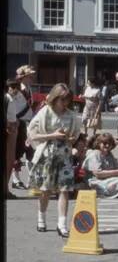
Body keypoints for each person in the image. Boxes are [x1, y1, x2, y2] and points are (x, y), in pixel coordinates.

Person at [26, 84, 82, 237]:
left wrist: (71, 139)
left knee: (65, 189)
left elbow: (76, 135)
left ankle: (62, 224)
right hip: (47, 154)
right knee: (45, 189)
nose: (66, 103)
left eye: (68, 100)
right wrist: (53, 136)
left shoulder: (71, 115)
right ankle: (41, 219)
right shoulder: (45, 112)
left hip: (64, 154)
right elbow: (32, 135)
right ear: (55, 98)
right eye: (63, 100)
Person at [12, 65, 38, 189]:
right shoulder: (17, 89)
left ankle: (31, 179)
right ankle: (16, 179)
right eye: (30, 75)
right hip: (19, 123)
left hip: (28, 123)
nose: (32, 77)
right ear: (23, 77)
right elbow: (13, 107)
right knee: (17, 152)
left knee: (30, 151)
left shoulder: (28, 88)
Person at [5, 79, 21, 198]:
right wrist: (15, 124)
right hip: (9, 133)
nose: (16, 91)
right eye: (15, 89)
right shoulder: (9, 99)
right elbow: (11, 120)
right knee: (8, 161)